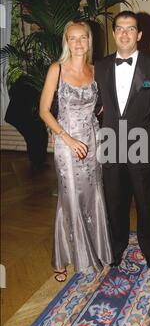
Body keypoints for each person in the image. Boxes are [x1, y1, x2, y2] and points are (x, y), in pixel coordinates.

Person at [39, 21, 113, 282]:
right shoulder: (56, 70)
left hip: (92, 142)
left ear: (89, 41)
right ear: (66, 42)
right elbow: (44, 110)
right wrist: (66, 137)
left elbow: (101, 107)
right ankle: (63, 258)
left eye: (83, 38)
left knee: (93, 196)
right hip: (66, 143)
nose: (79, 43)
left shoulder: (95, 70)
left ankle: (96, 250)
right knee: (70, 199)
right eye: (73, 38)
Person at [94, 11, 150, 270]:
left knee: (146, 202)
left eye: (130, 29)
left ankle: (149, 249)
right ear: (113, 33)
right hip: (110, 144)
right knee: (114, 202)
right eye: (120, 29)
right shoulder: (99, 67)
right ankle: (116, 248)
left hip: (143, 145)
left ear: (140, 34)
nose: (124, 34)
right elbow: (93, 105)